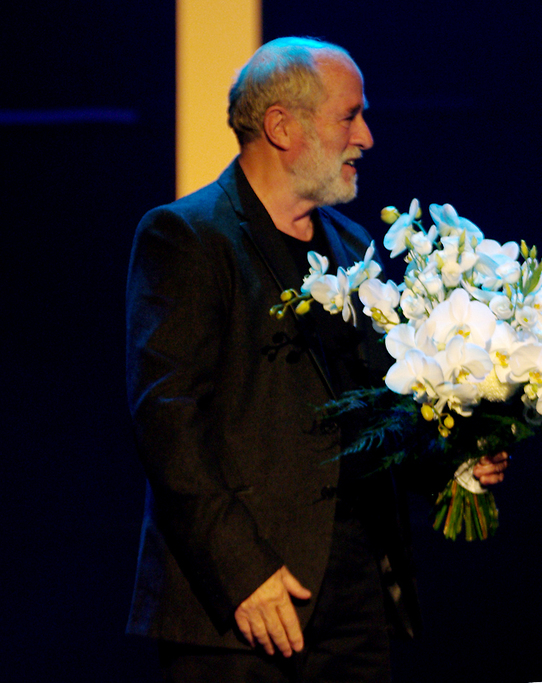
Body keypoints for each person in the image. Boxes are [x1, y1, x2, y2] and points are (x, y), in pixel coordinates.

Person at [125, 37, 508, 682]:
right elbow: (168, 425)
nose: (366, 137)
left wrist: (450, 459)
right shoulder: (188, 236)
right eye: (349, 116)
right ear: (282, 127)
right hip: (242, 606)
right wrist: (243, 574)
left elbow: (375, 409)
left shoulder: (352, 245)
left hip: (357, 597)